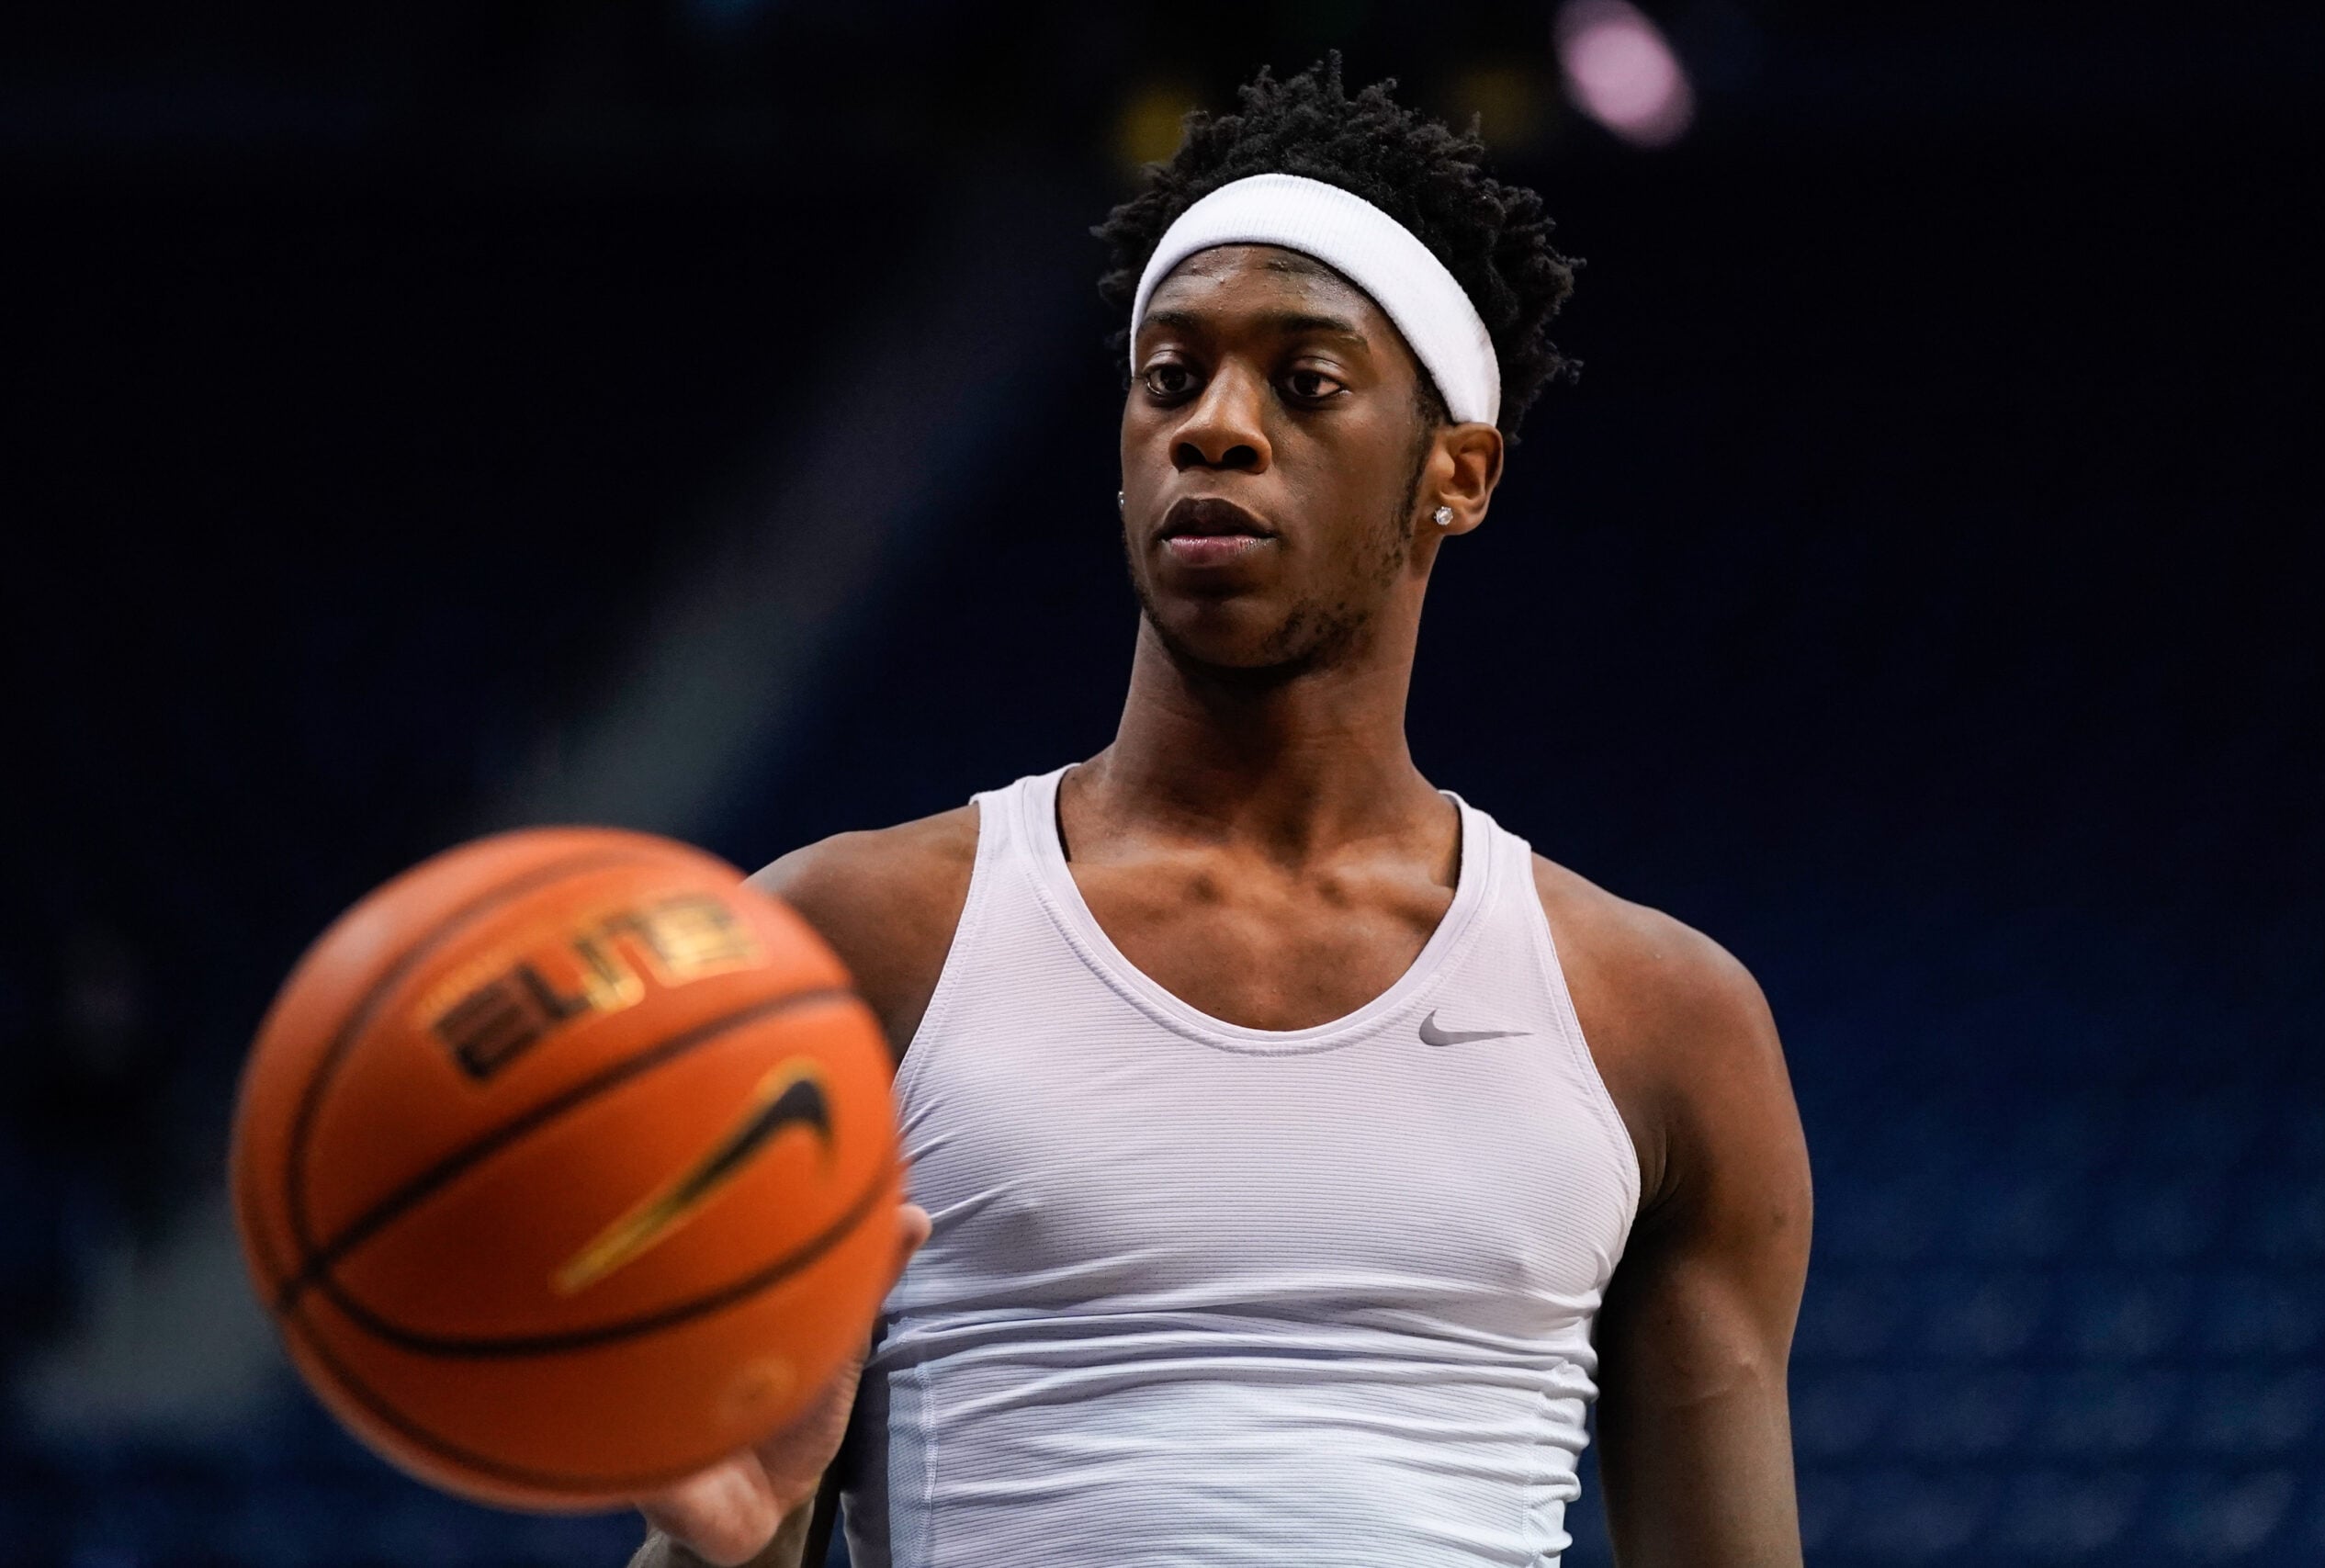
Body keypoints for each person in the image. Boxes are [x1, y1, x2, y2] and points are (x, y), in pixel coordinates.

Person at [633, 57, 1811, 1568]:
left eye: (1302, 383)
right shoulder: (849, 940)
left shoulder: (1665, 1022)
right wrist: (743, 1534)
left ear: (1457, 473)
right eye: (1170, 378)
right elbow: (726, 1522)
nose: (1216, 428)